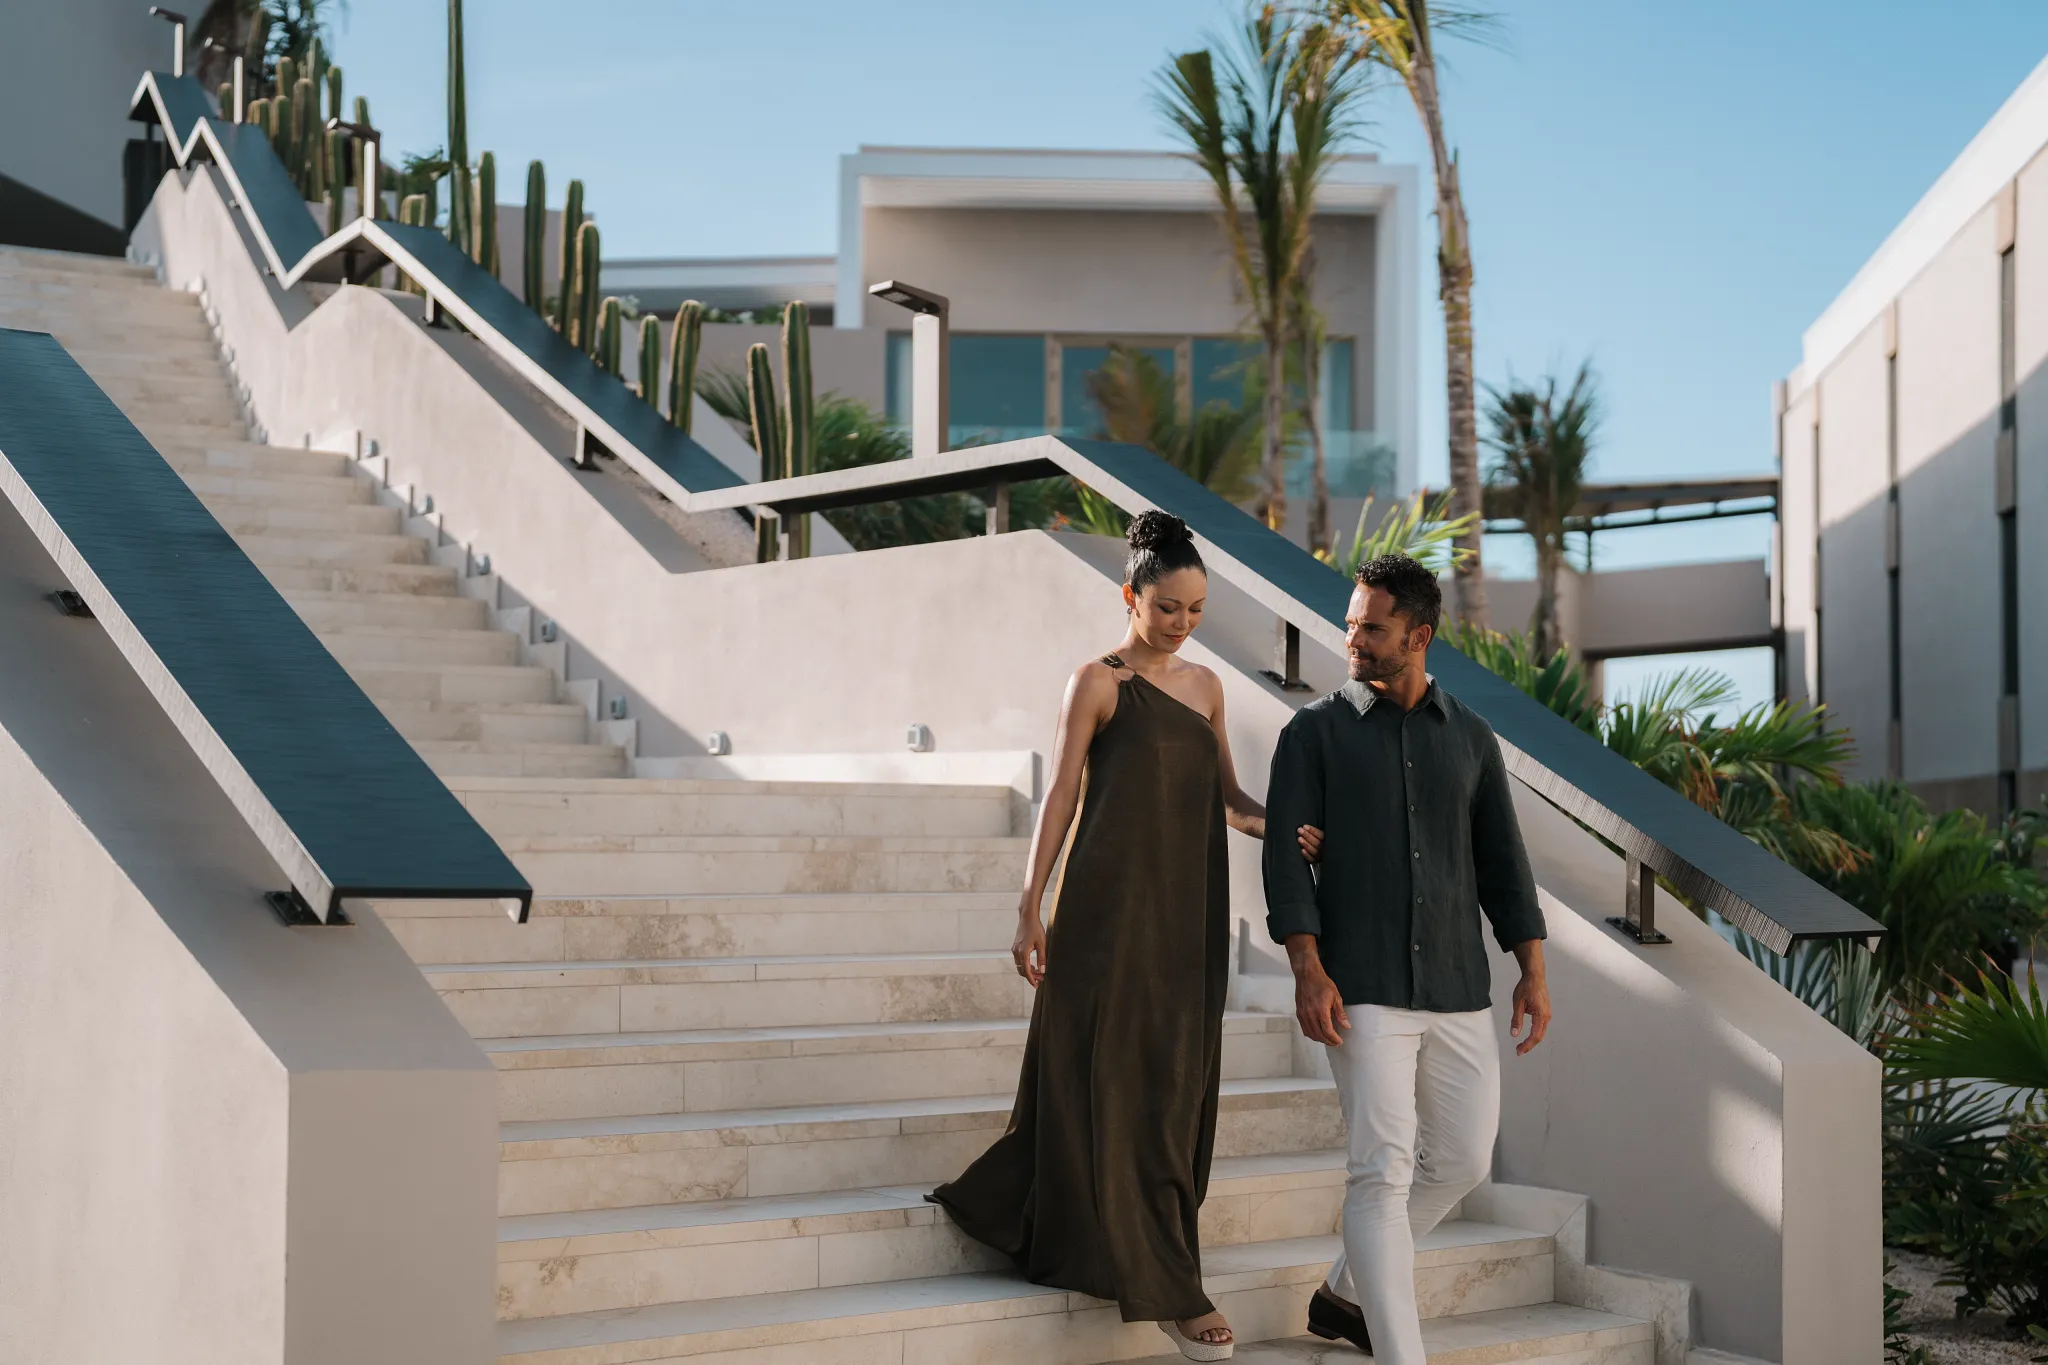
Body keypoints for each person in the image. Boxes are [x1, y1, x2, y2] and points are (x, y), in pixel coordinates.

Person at [930, 510, 1307, 1363]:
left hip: (1184, 919)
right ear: (1130, 595)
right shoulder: (1095, 682)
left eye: (1197, 609)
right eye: (1168, 606)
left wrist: (1285, 826)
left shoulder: (1208, 688)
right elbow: (1059, 799)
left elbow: (1232, 800)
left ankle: (1124, 1242)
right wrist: (1030, 905)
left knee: (1171, 1091)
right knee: (1102, 1079)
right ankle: (1174, 1287)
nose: (1182, 623)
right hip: (1102, 913)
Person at [1262, 554, 1551, 1364]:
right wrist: (1307, 967)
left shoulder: (1471, 738)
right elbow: (1285, 863)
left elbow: (1503, 860)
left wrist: (1530, 965)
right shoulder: (1312, 733)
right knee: (1380, 1171)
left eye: (1372, 627)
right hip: (1362, 984)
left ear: (1418, 636)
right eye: (1352, 622)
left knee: (1462, 1157)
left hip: (1459, 982)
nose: (1353, 637)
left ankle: (1346, 1292)